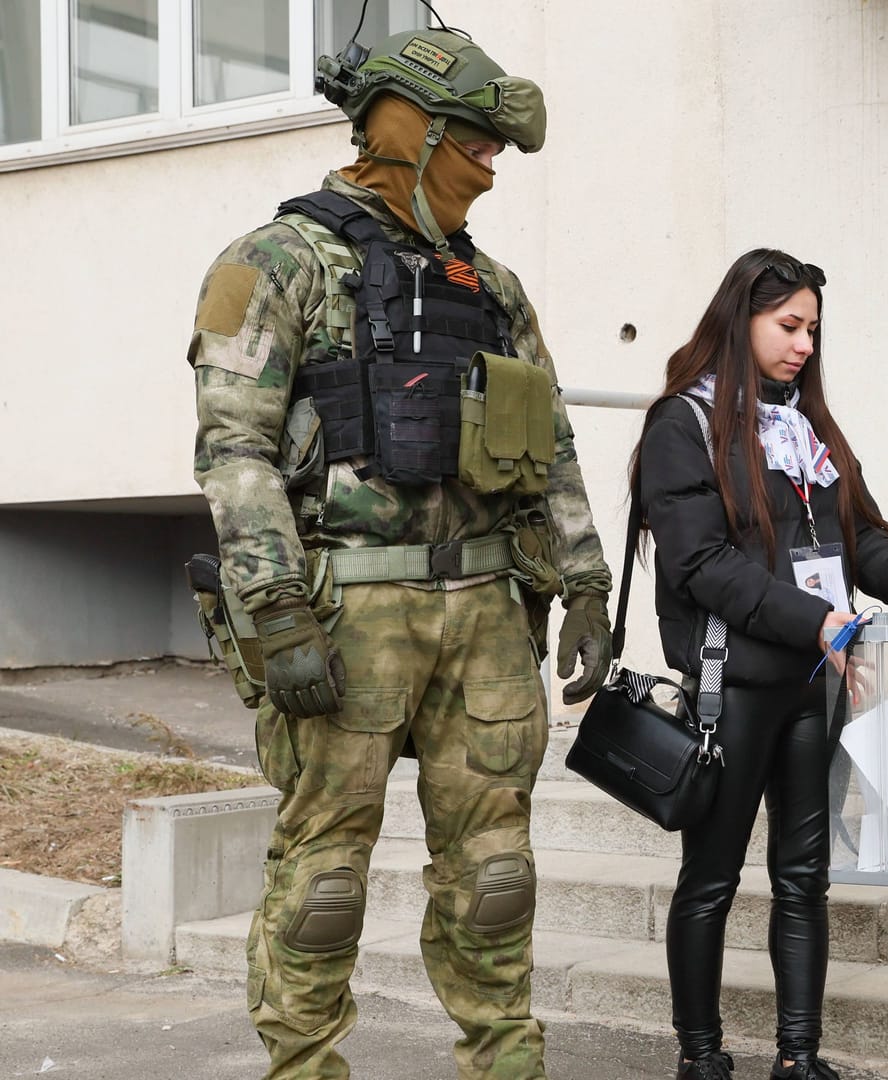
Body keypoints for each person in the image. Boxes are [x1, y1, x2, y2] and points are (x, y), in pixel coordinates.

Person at [187, 27, 612, 1080]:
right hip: (345, 619)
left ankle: (506, 1061)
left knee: (496, 872)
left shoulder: (493, 288)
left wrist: (587, 581)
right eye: (474, 141)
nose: (489, 166)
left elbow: (549, 442)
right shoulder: (271, 263)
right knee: (325, 883)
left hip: (484, 615)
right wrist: (273, 606)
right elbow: (233, 450)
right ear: (407, 131)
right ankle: (304, 1068)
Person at [633, 250, 888, 1080]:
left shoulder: (802, 427)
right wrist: (816, 619)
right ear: (740, 321)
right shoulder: (684, 423)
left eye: (813, 329)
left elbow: (861, 539)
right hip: (733, 687)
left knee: (804, 879)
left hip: (814, 685)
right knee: (709, 878)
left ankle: (800, 1057)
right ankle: (701, 1057)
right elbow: (702, 563)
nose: (805, 344)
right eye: (789, 326)